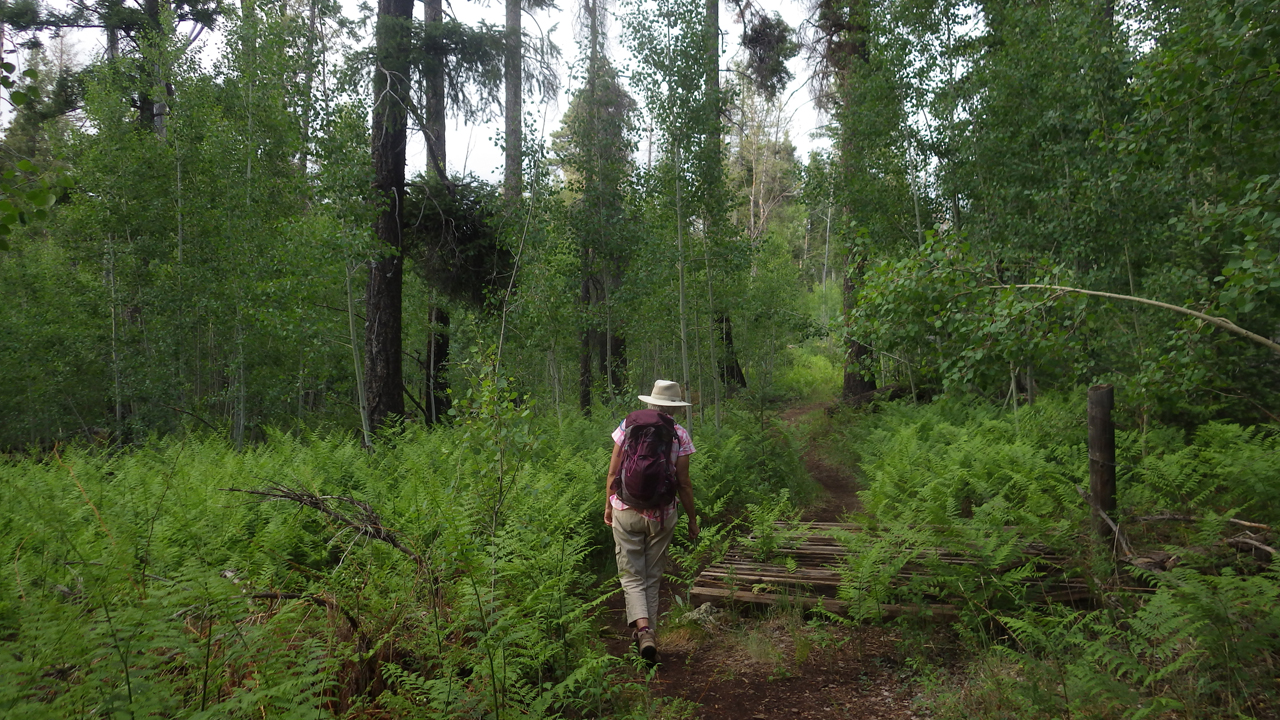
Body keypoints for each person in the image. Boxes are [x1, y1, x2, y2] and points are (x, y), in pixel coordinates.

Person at [604, 379, 700, 663]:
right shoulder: (680, 434)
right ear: (676, 408)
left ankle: (643, 631)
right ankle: (650, 636)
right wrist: (693, 519)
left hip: (625, 508)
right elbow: (684, 484)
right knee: (652, 576)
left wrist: (608, 506)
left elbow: (613, 471)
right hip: (661, 514)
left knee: (631, 576)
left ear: (650, 402)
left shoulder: (628, 426)